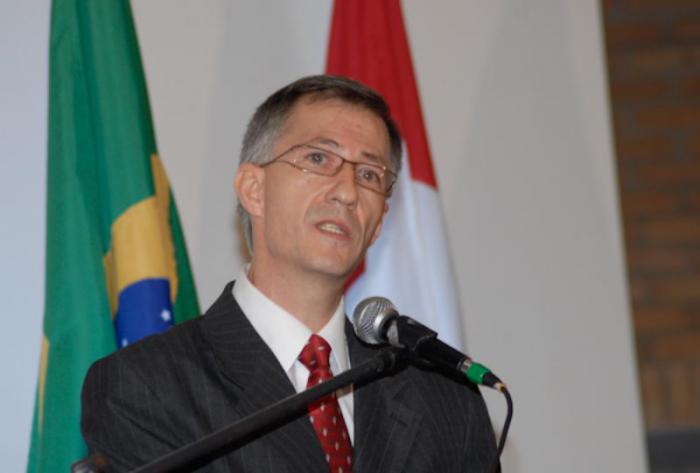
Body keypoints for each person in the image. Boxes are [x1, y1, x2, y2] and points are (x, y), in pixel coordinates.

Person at [81, 75, 497, 472]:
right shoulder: (145, 385)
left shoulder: (447, 399)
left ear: (379, 221)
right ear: (253, 189)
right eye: (318, 158)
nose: (348, 192)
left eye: (369, 174)